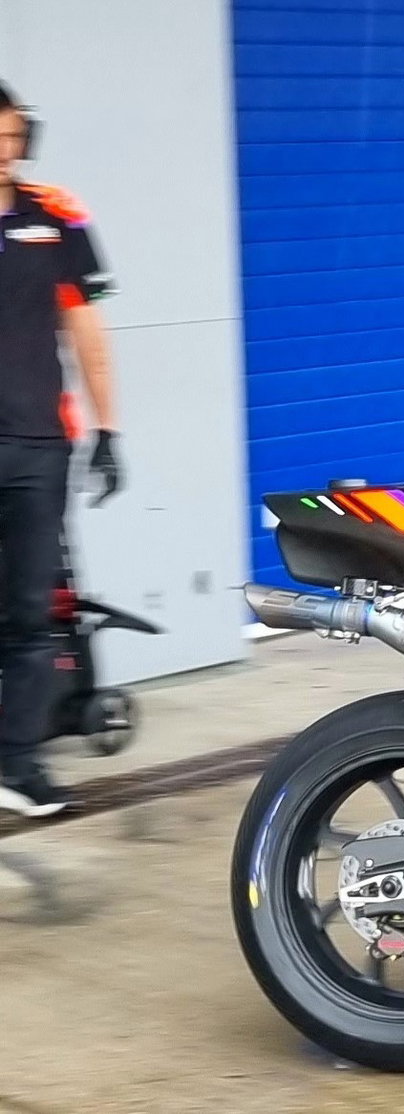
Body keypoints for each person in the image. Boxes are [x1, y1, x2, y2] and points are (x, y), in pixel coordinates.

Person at [0, 81, 121, 817]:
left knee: (29, 614)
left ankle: (17, 765)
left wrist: (108, 430)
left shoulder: (58, 217)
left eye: (13, 140)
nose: (4, 154)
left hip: (39, 448)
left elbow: (86, 334)